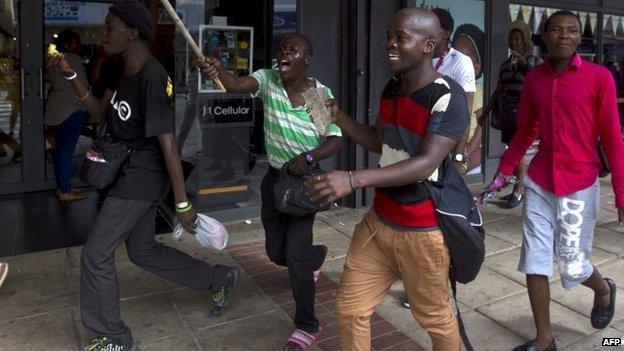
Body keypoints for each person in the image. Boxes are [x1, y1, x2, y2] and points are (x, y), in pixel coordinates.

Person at [49, 2, 238, 350]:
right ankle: (219, 278)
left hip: (144, 176)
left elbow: (168, 146)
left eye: (110, 26)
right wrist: (73, 77)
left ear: (133, 32)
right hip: (127, 172)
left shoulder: (154, 76)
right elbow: (98, 112)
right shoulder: (120, 69)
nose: (104, 32)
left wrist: (182, 203)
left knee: (95, 253)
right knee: (142, 250)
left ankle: (115, 337)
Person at [308, 8, 469, 350]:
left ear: (428, 46)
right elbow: (382, 142)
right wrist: (340, 118)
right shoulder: (392, 88)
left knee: (436, 321)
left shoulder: (448, 96)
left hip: (423, 233)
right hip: (379, 224)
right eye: (389, 36)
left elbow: (425, 164)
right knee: (351, 308)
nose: (390, 45)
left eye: (401, 38)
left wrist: (353, 179)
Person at [200, 33, 342, 350]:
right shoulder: (268, 81)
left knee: (293, 254)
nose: (283, 54)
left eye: (292, 50)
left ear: (307, 59)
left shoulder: (319, 95)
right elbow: (236, 86)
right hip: (274, 181)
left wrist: (309, 158)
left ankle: (307, 325)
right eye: (281, 49)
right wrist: (217, 71)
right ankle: (315, 257)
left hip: (306, 184)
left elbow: (334, 139)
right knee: (278, 254)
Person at [493, 11, 624, 351]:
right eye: (556, 30)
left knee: (573, 264)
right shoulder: (535, 80)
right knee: (535, 260)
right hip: (539, 183)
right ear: (544, 37)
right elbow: (526, 131)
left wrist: (622, 196)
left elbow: (612, 138)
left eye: (571, 31)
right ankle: (544, 339)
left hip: (579, 184)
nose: (563, 36)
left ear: (580, 39)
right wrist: (505, 169)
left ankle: (603, 289)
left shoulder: (600, 78)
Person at [483, 20, 542, 208]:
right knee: (511, 149)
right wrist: (486, 111)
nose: (514, 41)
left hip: (525, 114)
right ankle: (518, 186)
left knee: (518, 152)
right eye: (512, 38)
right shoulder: (505, 64)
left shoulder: (535, 61)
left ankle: (519, 190)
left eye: (518, 38)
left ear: (524, 40)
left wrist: (525, 65)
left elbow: (541, 84)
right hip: (508, 112)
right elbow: (499, 89)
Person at [45, 30, 89, 202]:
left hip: (56, 108)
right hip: (71, 109)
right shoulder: (73, 59)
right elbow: (82, 84)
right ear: (69, 43)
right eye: (76, 43)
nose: (78, 46)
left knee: (59, 151)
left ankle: (63, 187)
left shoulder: (54, 59)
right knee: (65, 152)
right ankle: (64, 191)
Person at [431, 7, 476, 175]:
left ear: (446, 32)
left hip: (445, 143)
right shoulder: (419, 57)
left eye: (433, 25)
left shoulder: (460, 62)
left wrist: (458, 156)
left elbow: (465, 112)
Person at [452, 23, 485, 173]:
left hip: (471, 145)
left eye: (463, 60)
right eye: (453, 56)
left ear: (477, 67)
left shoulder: (477, 90)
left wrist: (469, 148)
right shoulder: (447, 87)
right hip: (451, 142)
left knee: (478, 155)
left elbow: (481, 125)